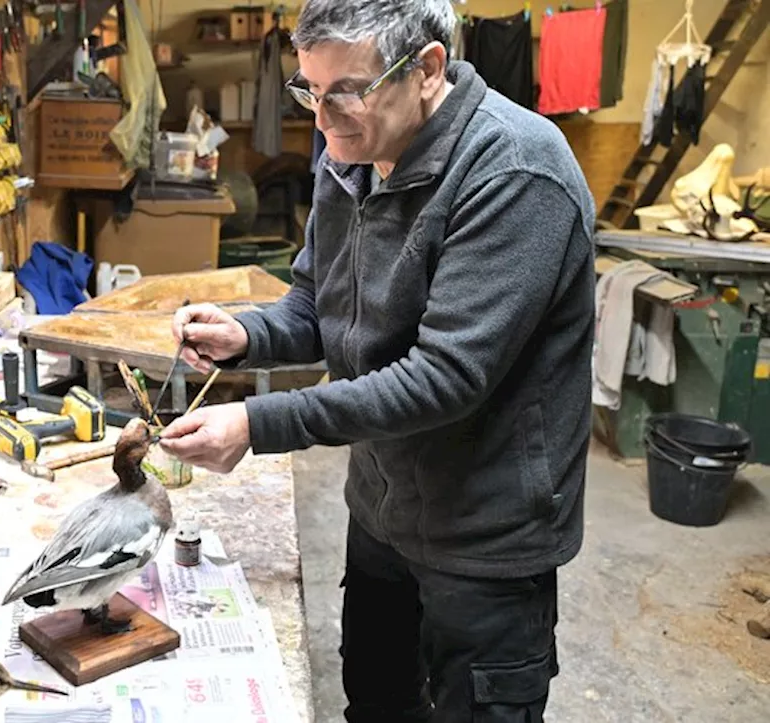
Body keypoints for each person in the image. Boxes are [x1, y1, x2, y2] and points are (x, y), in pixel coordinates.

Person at [158, 1, 596, 721]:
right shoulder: (350, 155)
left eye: (345, 91)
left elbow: (444, 377)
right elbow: (317, 304)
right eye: (310, 90)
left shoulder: (516, 171)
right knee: (379, 701)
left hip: (484, 533)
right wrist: (247, 335)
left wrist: (259, 422)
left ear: (427, 69)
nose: (324, 120)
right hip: (384, 507)